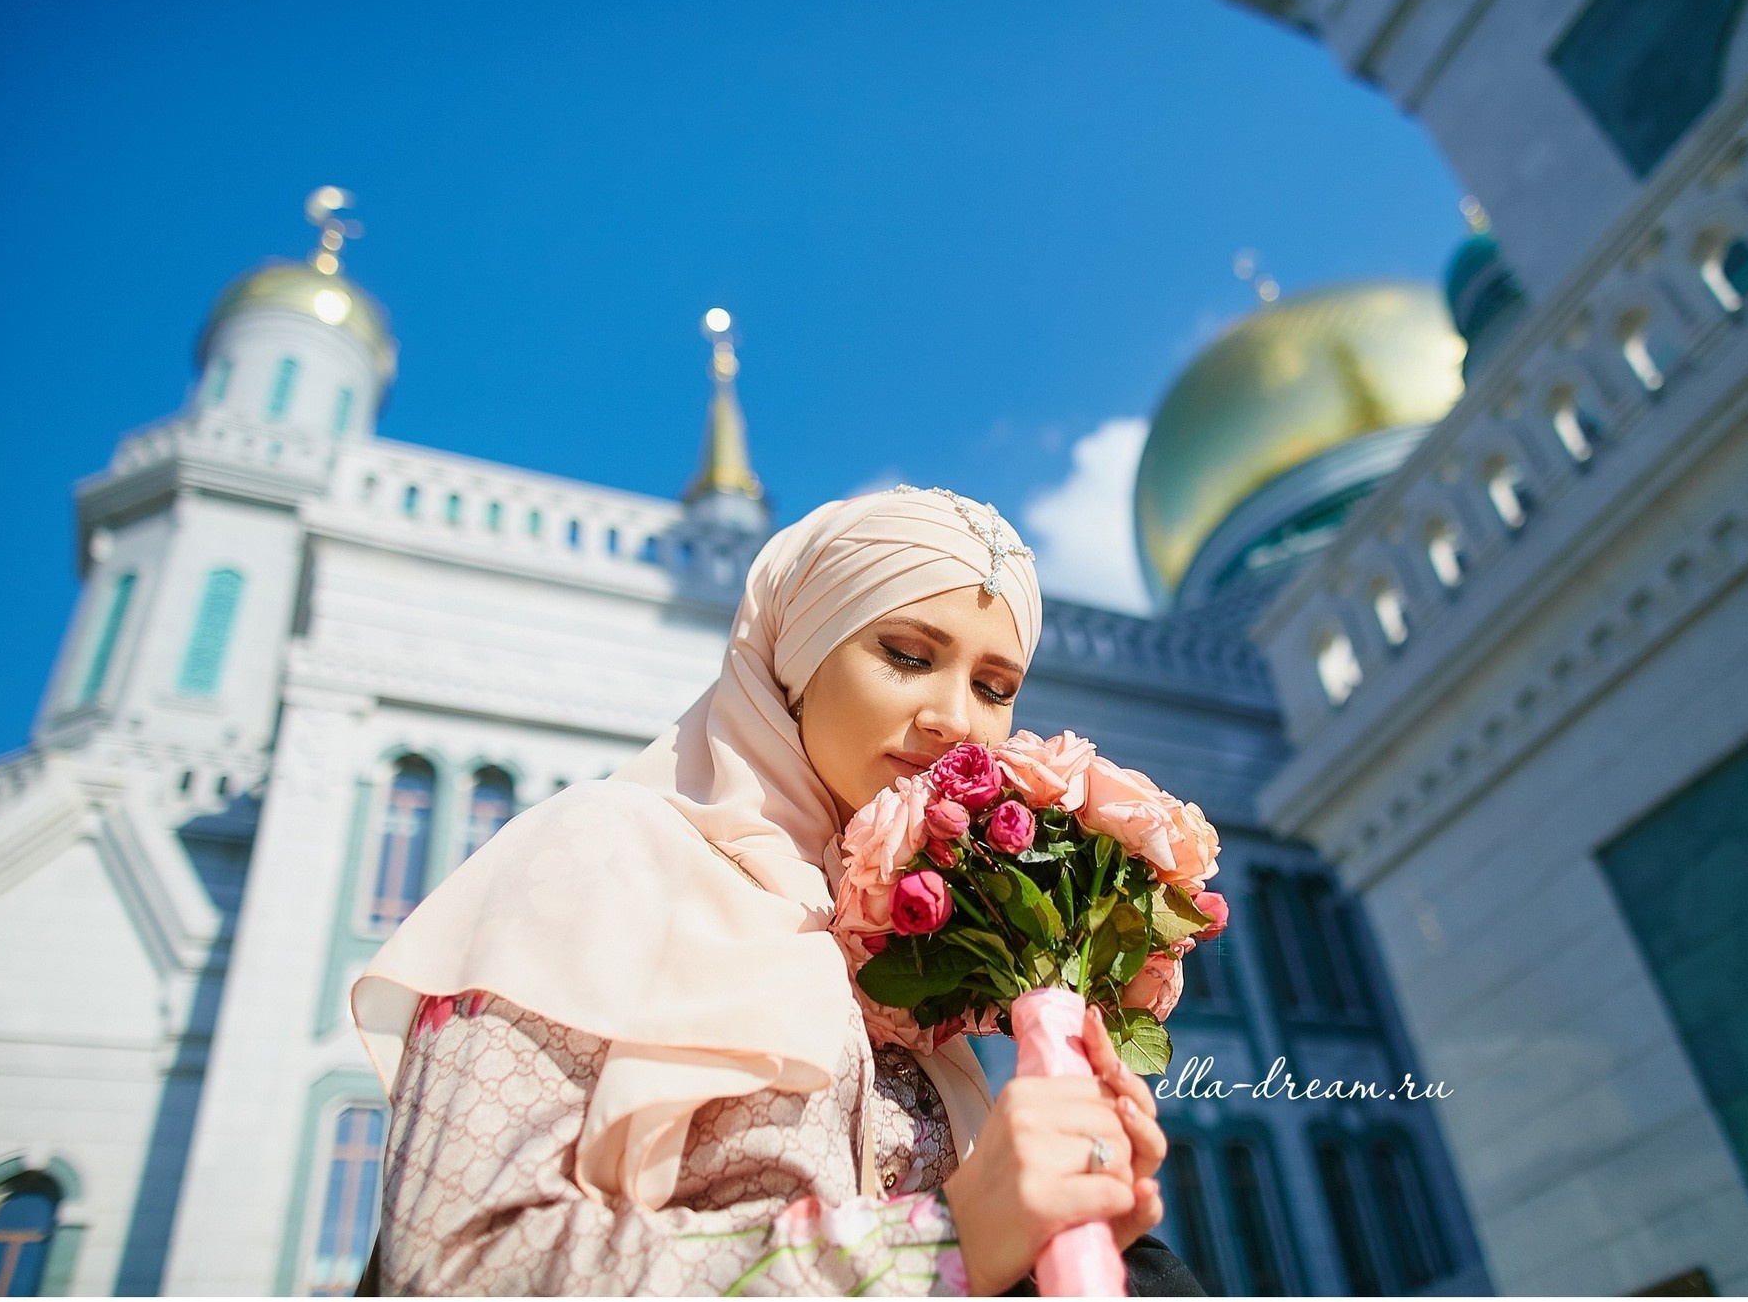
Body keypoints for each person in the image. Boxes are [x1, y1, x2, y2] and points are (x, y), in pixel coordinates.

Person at [349, 487, 1204, 1296]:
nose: (955, 718)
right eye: (908, 656)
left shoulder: (908, 958)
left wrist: (1068, 1227)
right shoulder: (603, 851)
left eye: (993, 688)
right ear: (797, 659)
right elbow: (458, 1260)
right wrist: (941, 1242)